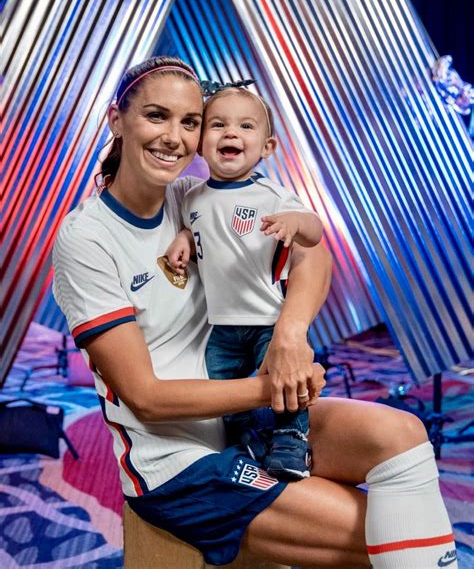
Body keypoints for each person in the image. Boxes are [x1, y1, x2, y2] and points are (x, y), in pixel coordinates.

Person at [53, 56, 457, 569]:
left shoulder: (193, 197)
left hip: (246, 418)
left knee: (402, 435)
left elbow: (314, 251)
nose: (174, 137)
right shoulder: (86, 238)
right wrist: (278, 387)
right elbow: (147, 399)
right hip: (176, 461)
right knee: (384, 531)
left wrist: (290, 334)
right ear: (117, 120)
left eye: (190, 121)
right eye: (156, 116)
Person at [166, 83, 323, 481]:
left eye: (245, 126)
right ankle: (246, 437)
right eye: (217, 125)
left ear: (267, 147)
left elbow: (316, 231)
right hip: (220, 324)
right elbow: (195, 229)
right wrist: (184, 239)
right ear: (200, 144)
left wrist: (295, 223)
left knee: (281, 383)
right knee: (225, 385)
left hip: (267, 318)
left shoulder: (271, 195)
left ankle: (291, 439)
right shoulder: (192, 197)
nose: (231, 133)